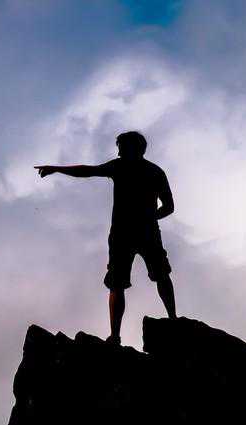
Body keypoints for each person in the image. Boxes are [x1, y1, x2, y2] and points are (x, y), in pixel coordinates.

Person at [34, 131, 177, 346]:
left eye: (122, 148)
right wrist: (57, 169)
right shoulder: (140, 169)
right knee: (126, 281)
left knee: (145, 278)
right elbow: (88, 171)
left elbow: (169, 206)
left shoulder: (138, 170)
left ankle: (162, 323)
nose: (118, 152)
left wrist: (149, 217)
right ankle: (127, 332)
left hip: (134, 233)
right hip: (130, 233)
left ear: (133, 149)